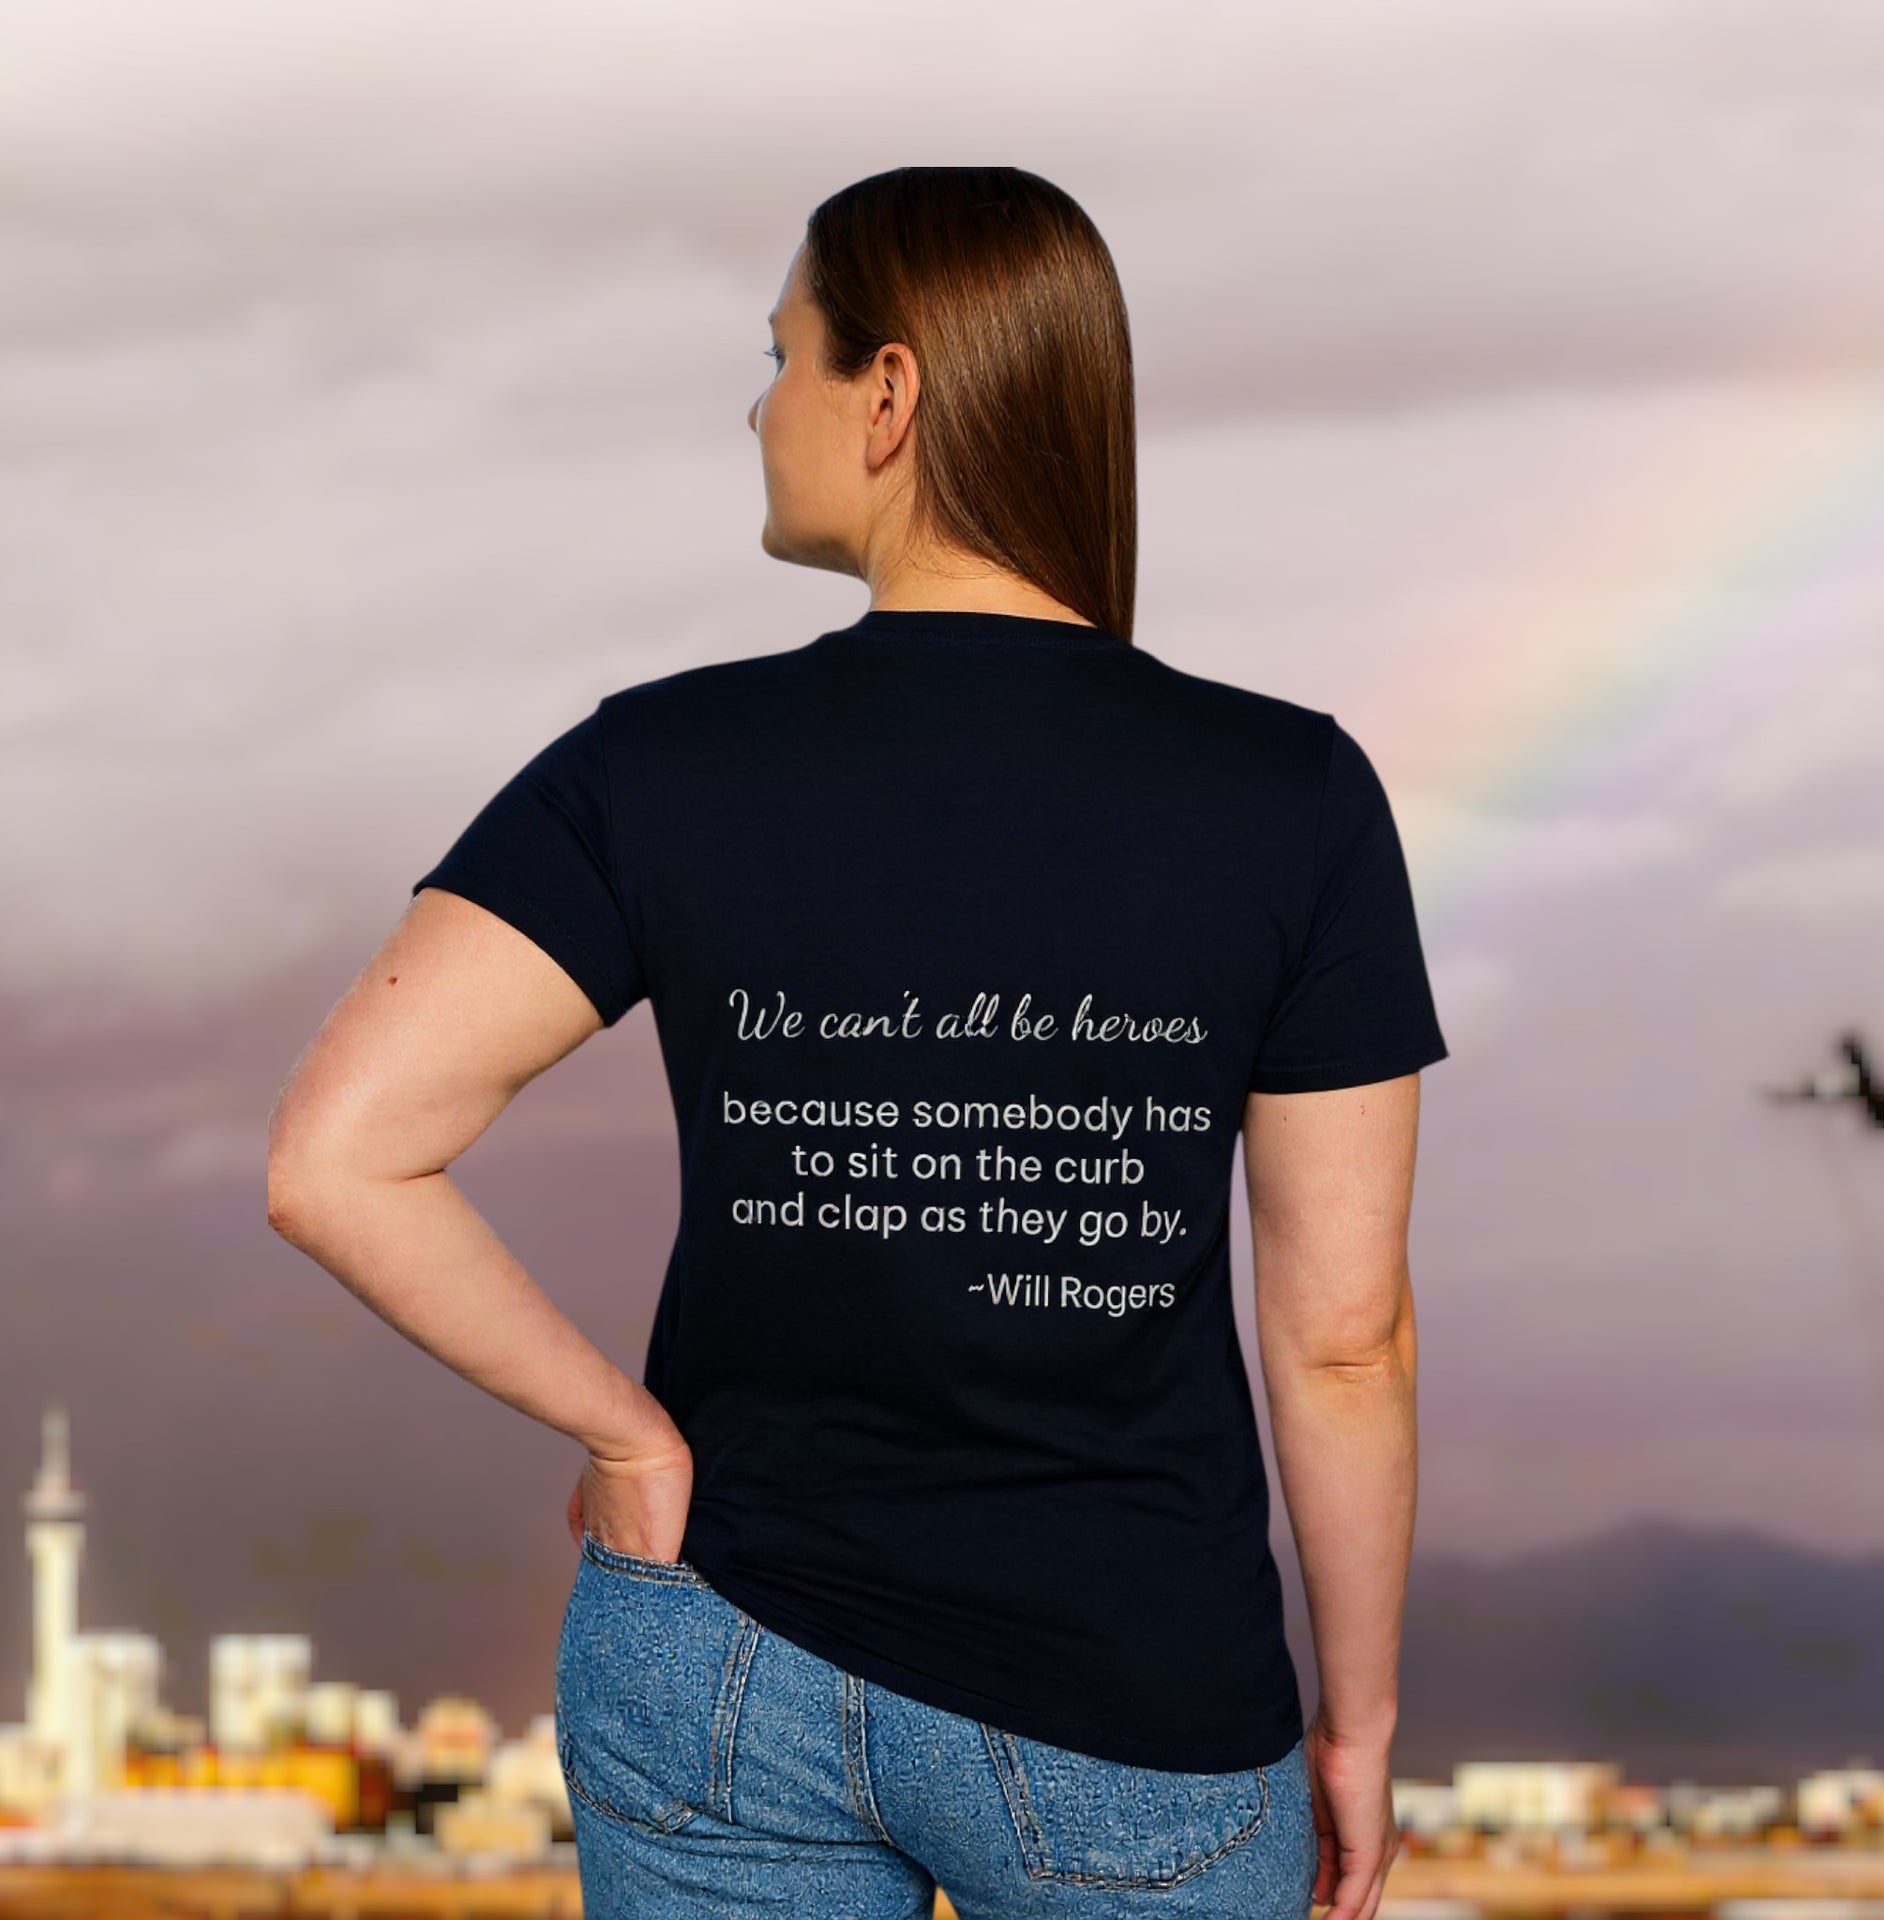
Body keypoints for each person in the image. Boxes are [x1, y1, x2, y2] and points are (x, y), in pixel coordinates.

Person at [267, 165, 1446, 1920]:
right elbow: (1341, 1342)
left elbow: (336, 1158)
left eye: (782, 356)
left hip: (722, 1661)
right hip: (1136, 1705)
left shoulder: (657, 765)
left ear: (888, 393)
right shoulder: (1297, 796)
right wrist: (1357, 1717)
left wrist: (631, 1442)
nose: (759, 408)